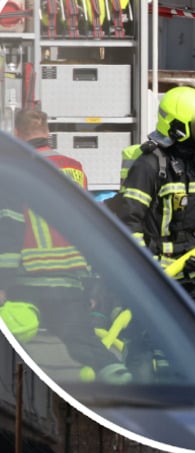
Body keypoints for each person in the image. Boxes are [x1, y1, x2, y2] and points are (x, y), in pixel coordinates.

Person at [0, 109, 129, 381]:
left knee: (16, 348)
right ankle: (120, 381)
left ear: (17, 134)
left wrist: (3, 282)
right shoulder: (74, 168)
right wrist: (90, 282)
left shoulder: (13, 170)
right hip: (70, 279)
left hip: (27, 281)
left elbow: (10, 227)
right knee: (86, 344)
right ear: (48, 132)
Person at [115, 85, 195, 329]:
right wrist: (145, 269)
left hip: (194, 275)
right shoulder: (149, 165)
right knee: (154, 345)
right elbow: (130, 221)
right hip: (159, 280)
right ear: (178, 128)